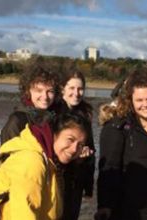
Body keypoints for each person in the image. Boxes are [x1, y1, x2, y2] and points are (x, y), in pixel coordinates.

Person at [96, 70, 147, 220]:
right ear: (130, 101)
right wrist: (105, 205)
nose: (145, 105)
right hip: (127, 211)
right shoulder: (117, 128)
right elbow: (109, 170)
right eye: (139, 100)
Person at [0, 113, 93, 220]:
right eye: (70, 139)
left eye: (80, 145)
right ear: (55, 134)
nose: (74, 149)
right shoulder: (32, 160)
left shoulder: (51, 163)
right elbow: (23, 211)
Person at [54, 69, 95, 220]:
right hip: (57, 177)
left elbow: (91, 150)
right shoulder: (54, 113)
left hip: (76, 179)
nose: (76, 93)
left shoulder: (85, 114)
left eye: (80, 89)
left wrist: (88, 186)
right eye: (71, 88)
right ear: (62, 88)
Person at [0, 64, 58, 146]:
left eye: (50, 91)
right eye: (39, 90)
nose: (45, 96)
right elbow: (7, 154)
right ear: (28, 91)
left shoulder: (56, 116)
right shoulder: (17, 121)